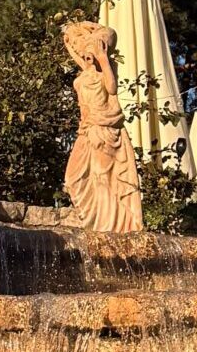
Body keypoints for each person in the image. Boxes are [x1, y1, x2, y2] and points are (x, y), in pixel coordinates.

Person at [61, 20, 143, 233]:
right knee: (73, 177)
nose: (80, 50)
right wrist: (74, 32)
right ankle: (98, 223)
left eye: (82, 44)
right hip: (87, 131)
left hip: (103, 130)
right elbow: (74, 51)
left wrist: (103, 57)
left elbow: (112, 88)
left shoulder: (102, 69)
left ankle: (109, 227)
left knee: (101, 178)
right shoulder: (86, 70)